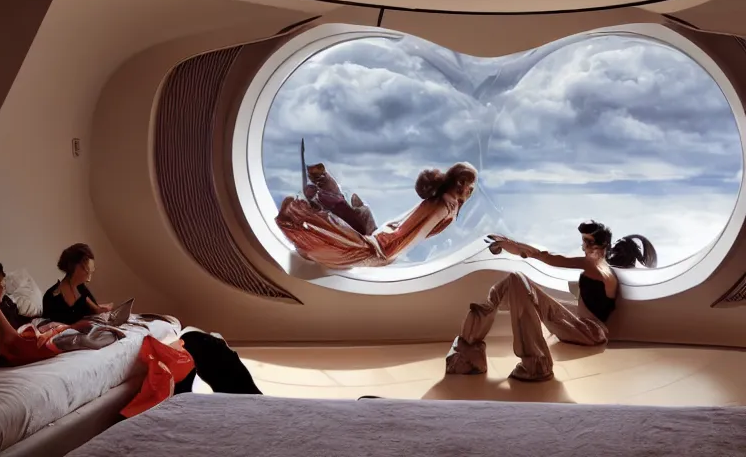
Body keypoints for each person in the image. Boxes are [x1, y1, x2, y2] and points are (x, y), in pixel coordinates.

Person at [446, 221, 657, 382]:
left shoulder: (595, 266)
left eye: (588, 242)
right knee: (515, 281)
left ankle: (534, 364)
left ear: (603, 245)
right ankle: (472, 344)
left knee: (518, 280)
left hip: (589, 332)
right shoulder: (602, 269)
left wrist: (510, 245)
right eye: (583, 241)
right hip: (584, 327)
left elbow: (547, 257)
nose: (584, 247)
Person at [275, 161, 478, 269]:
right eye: (466, 184)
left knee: (347, 228)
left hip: (385, 238)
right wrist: (387, 253)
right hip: (384, 245)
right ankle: (310, 203)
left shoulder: (442, 202)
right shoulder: (443, 206)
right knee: (338, 241)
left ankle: (321, 192)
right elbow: (414, 234)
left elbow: (411, 229)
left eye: (471, 186)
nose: (469, 190)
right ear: (455, 182)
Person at [0, 262, 122, 367]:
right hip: (27, 339)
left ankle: (101, 329)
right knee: (73, 337)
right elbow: (13, 341)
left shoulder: (2, 303)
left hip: (31, 328)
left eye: (3, 284)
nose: (2, 288)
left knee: (77, 329)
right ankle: (99, 332)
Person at [43, 243, 113, 324]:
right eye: (87, 272)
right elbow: (49, 329)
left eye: (91, 273)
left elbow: (95, 309)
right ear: (74, 267)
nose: (89, 280)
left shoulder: (81, 288)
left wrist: (102, 310)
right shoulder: (51, 297)